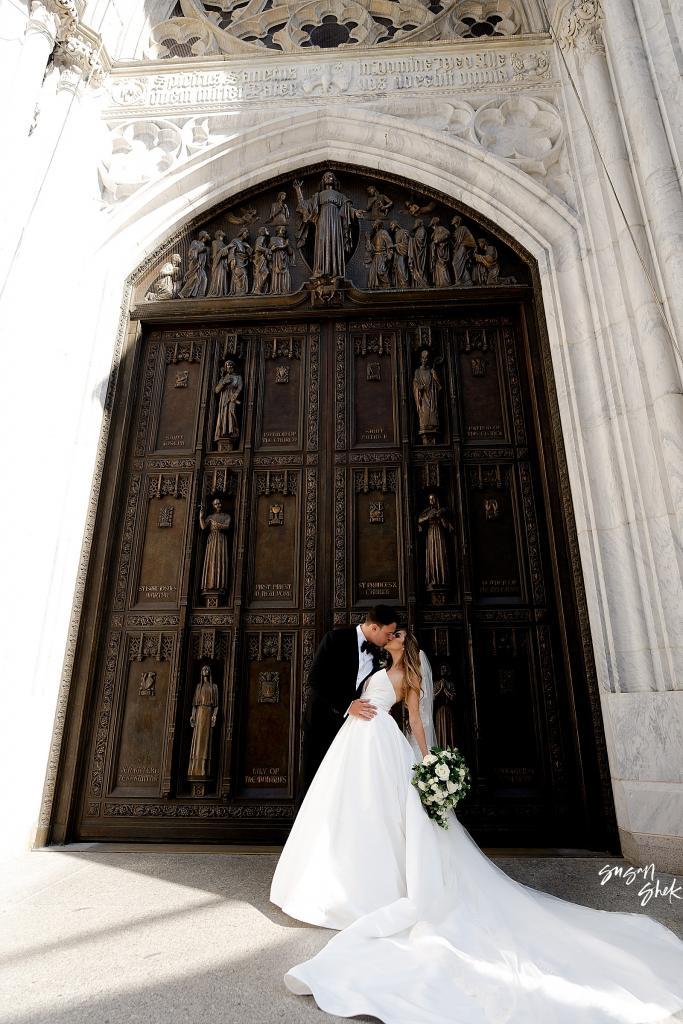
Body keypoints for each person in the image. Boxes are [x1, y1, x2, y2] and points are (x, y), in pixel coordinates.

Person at [273, 629, 683, 1023]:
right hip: (358, 743)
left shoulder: (411, 678)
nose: (390, 638)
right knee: (355, 812)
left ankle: (378, 888)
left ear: (406, 644)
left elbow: (415, 720)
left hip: (385, 747)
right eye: (389, 634)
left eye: (396, 636)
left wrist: (428, 758)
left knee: (394, 820)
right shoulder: (376, 670)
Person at [297, 605, 398, 803]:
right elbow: (315, 679)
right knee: (312, 780)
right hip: (320, 722)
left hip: (350, 731)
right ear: (374, 628)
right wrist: (347, 706)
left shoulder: (379, 655)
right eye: (389, 633)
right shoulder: (335, 638)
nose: (391, 638)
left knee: (340, 786)